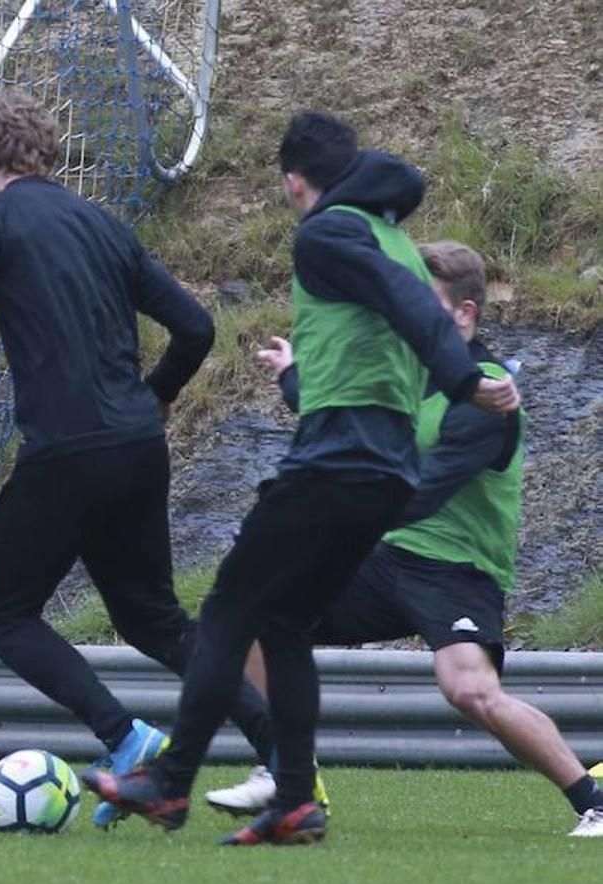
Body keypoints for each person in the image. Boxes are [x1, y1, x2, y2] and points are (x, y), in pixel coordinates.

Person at [82, 111, 520, 845]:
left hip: (339, 462)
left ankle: (167, 782)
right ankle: (293, 800)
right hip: (381, 473)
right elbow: (380, 332)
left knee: (227, 609)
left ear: (294, 181)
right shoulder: (396, 239)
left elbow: (408, 306)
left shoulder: (327, 232)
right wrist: (302, 380)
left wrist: (462, 377)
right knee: (282, 622)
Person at [0, 89, 279, 829]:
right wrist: (156, 397)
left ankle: (127, 739)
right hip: (137, 448)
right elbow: (197, 327)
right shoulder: (103, 226)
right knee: (156, 623)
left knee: (3, 614)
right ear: (49, 154)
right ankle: (283, 754)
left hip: (67, 453)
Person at [203, 240, 603, 838]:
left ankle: (592, 799)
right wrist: (294, 381)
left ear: (465, 314)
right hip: (387, 561)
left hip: (457, 569)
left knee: (469, 690)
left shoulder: (489, 396)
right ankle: (290, 773)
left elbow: (424, 490)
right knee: (258, 614)